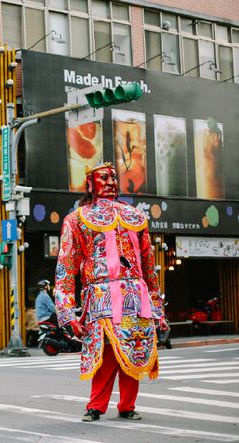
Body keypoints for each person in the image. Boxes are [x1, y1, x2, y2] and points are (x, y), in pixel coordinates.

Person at [54, 162, 169, 422]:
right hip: (100, 296)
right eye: (103, 177)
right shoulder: (77, 219)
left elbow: (148, 266)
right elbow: (66, 267)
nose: (110, 182)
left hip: (136, 297)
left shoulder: (136, 216)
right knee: (105, 354)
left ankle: (127, 405)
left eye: (114, 177)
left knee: (134, 347)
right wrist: (67, 313)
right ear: (90, 183)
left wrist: (157, 307)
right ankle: (96, 405)